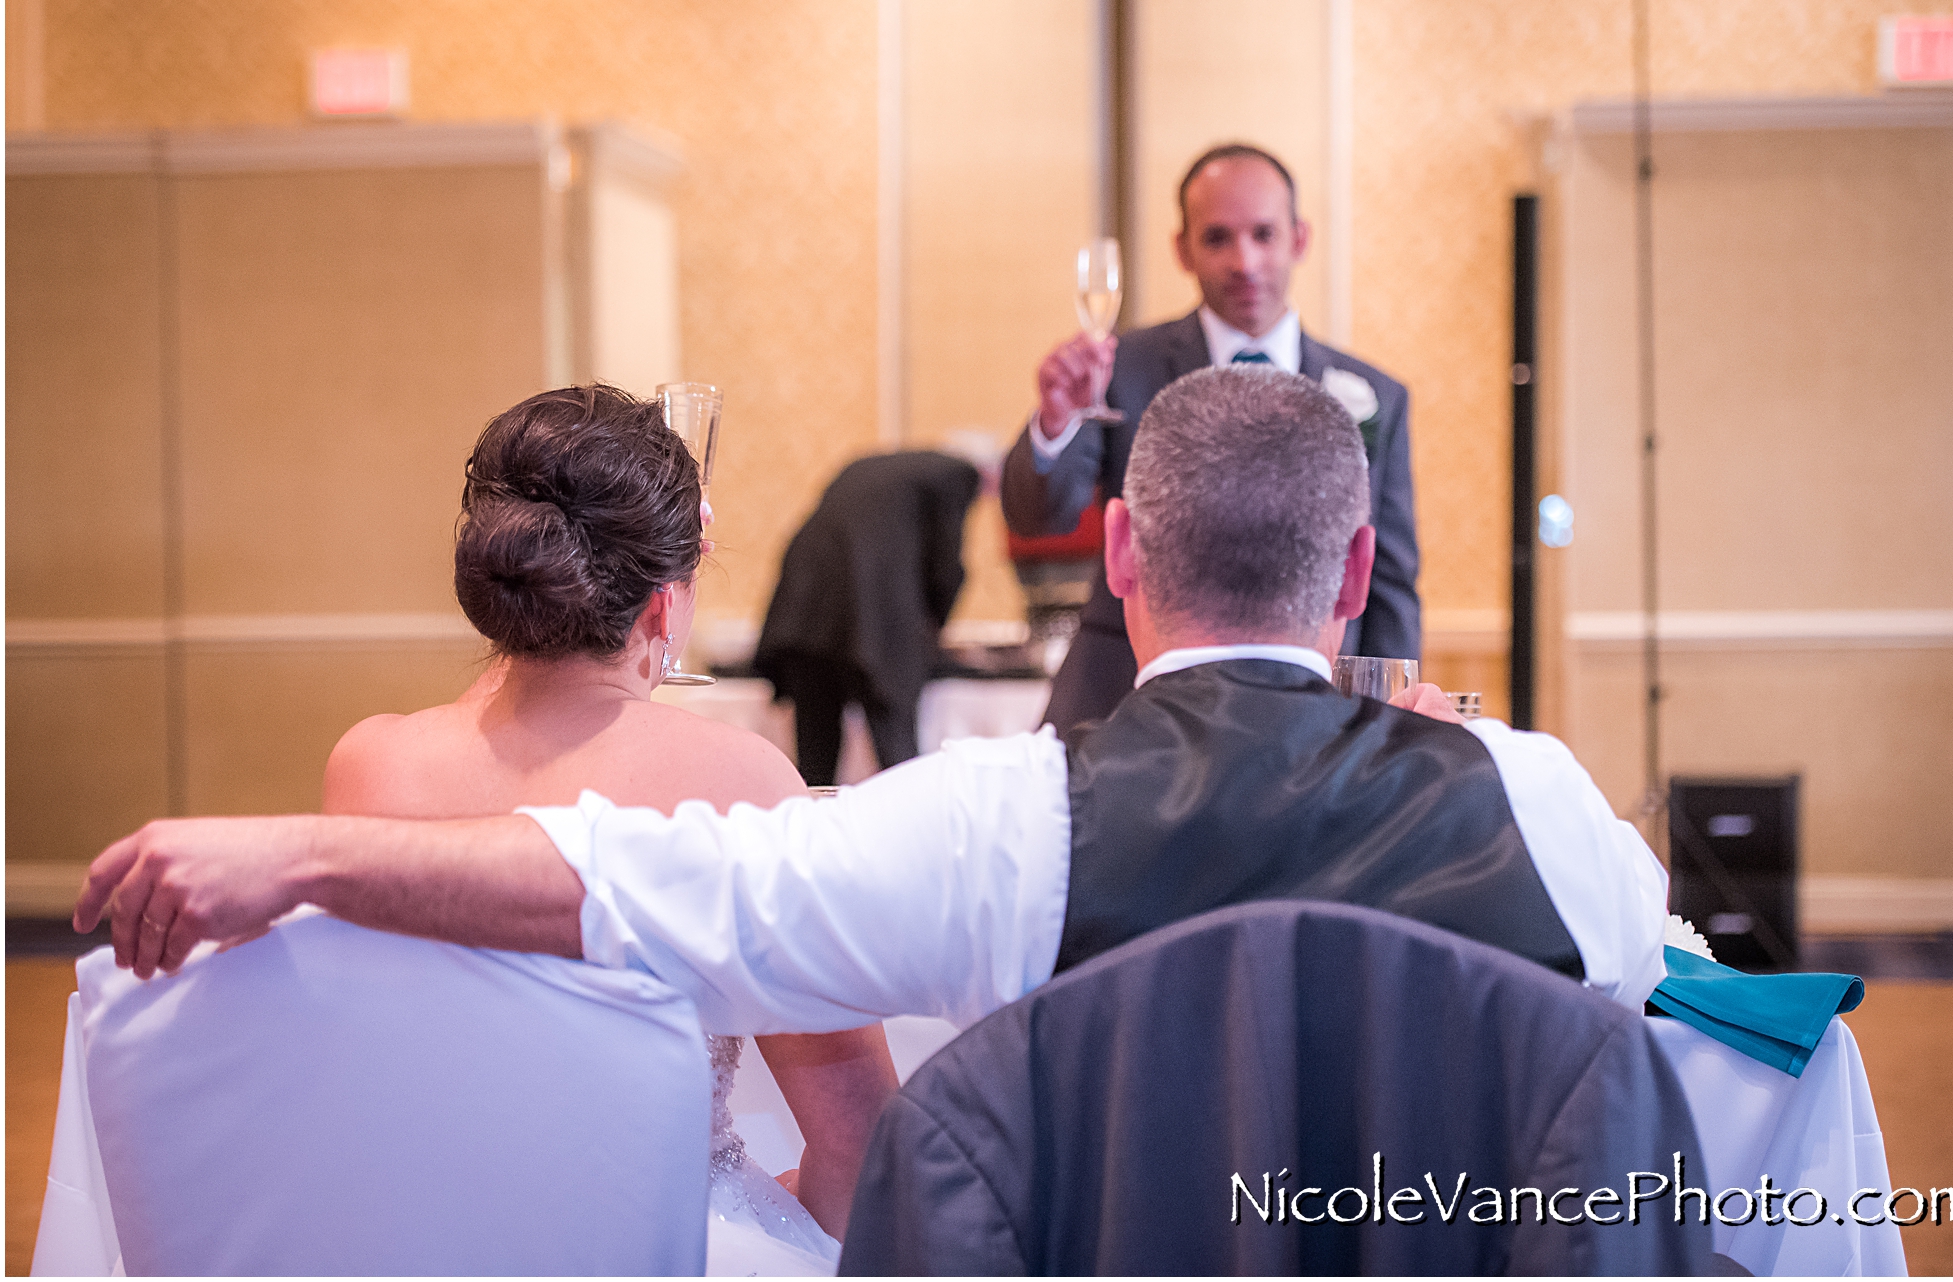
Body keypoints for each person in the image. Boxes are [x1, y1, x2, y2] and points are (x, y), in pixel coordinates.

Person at [77, 369, 1666, 1048]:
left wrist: (300, 850)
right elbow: (1717, 1064)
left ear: (1116, 550)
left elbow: (645, 883)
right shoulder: (1551, 809)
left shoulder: (1010, 815)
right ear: (1362, 567)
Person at [318, 385, 895, 1274]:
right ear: (665, 607)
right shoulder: (740, 787)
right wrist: (762, 1223)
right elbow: (865, 1164)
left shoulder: (371, 765)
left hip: (419, 1246)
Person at [1005, 143, 1421, 736]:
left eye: (1263, 234)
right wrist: (1057, 423)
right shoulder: (1122, 371)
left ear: (1299, 239)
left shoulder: (1376, 395)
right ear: (1183, 249)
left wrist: (1391, 728)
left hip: (1314, 709)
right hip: (1123, 704)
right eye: (1218, 238)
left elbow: (1389, 581)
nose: (1244, 261)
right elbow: (1037, 516)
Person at [753, 450, 983, 786]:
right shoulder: (961, 473)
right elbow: (946, 568)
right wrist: (933, 630)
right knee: (899, 766)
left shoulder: (878, 466)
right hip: (873, 620)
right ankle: (906, 834)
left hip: (805, 607)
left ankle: (816, 836)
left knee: (816, 768)